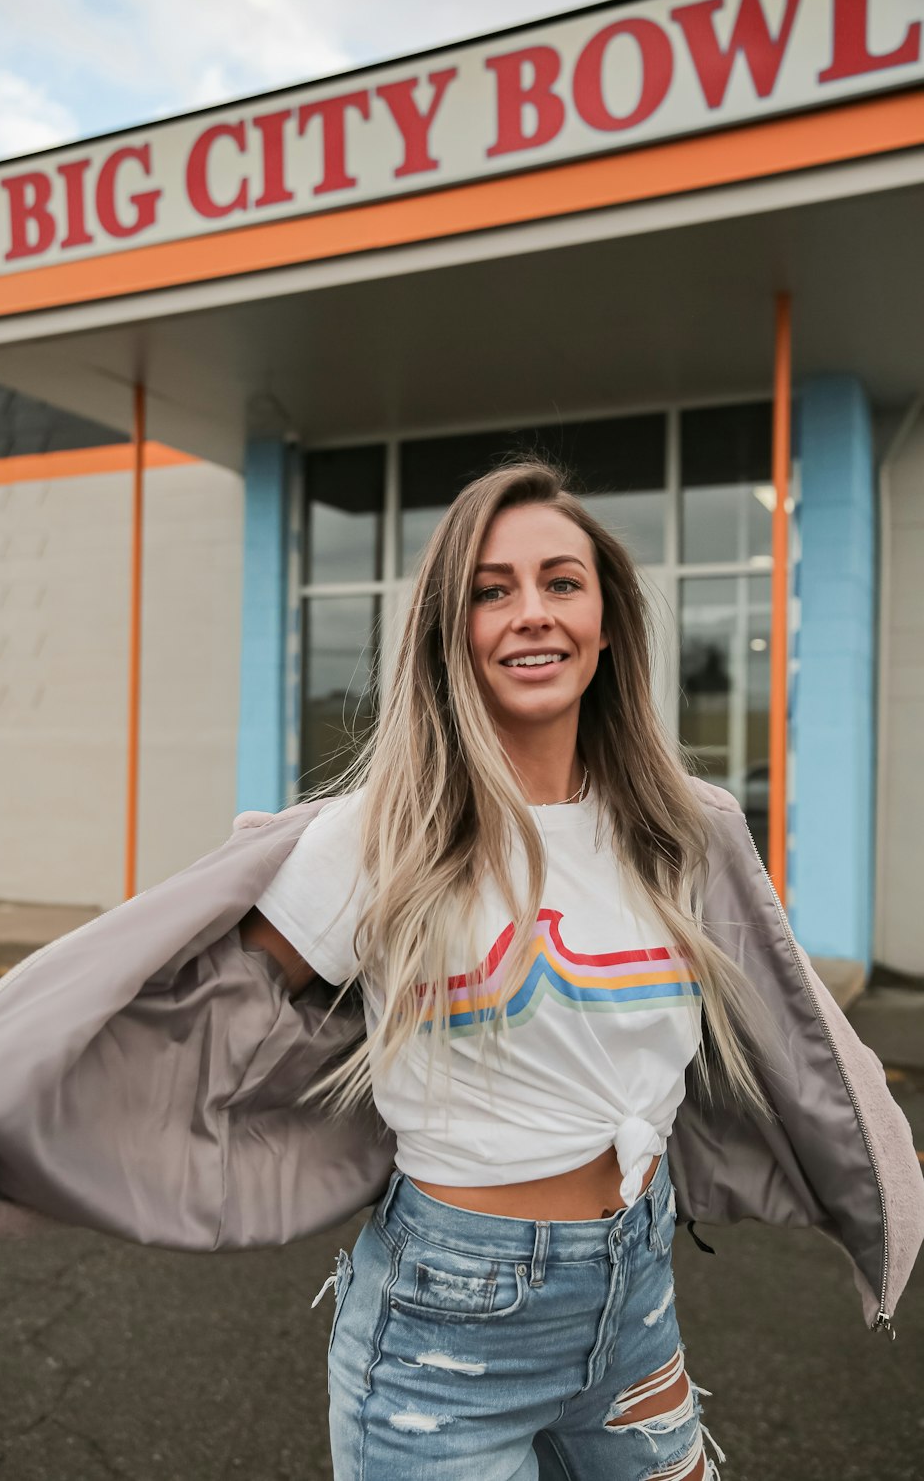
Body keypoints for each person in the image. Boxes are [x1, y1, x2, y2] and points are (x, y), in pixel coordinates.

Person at [240, 458, 772, 1480]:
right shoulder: (374, 838)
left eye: (561, 583)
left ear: (606, 621)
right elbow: (221, 1023)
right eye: (492, 590)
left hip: (635, 1296)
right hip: (445, 1339)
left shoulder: (677, 833)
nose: (531, 613)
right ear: (453, 631)